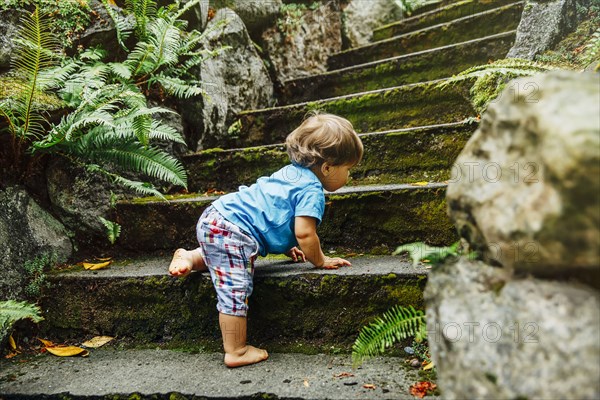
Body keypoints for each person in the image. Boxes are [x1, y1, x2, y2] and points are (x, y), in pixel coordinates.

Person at [168, 112, 364, 367]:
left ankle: (191, 257)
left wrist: (287, 245)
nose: (348, 176)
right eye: (348, 169)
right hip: (233, 230)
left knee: (227, 258)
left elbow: (273, 212)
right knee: (235, 287)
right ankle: (236, 350)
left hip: (217, 218)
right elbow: (305, 232)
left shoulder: (290, 174)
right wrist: (320, 260)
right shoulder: (313, 190)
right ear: (327, 168)